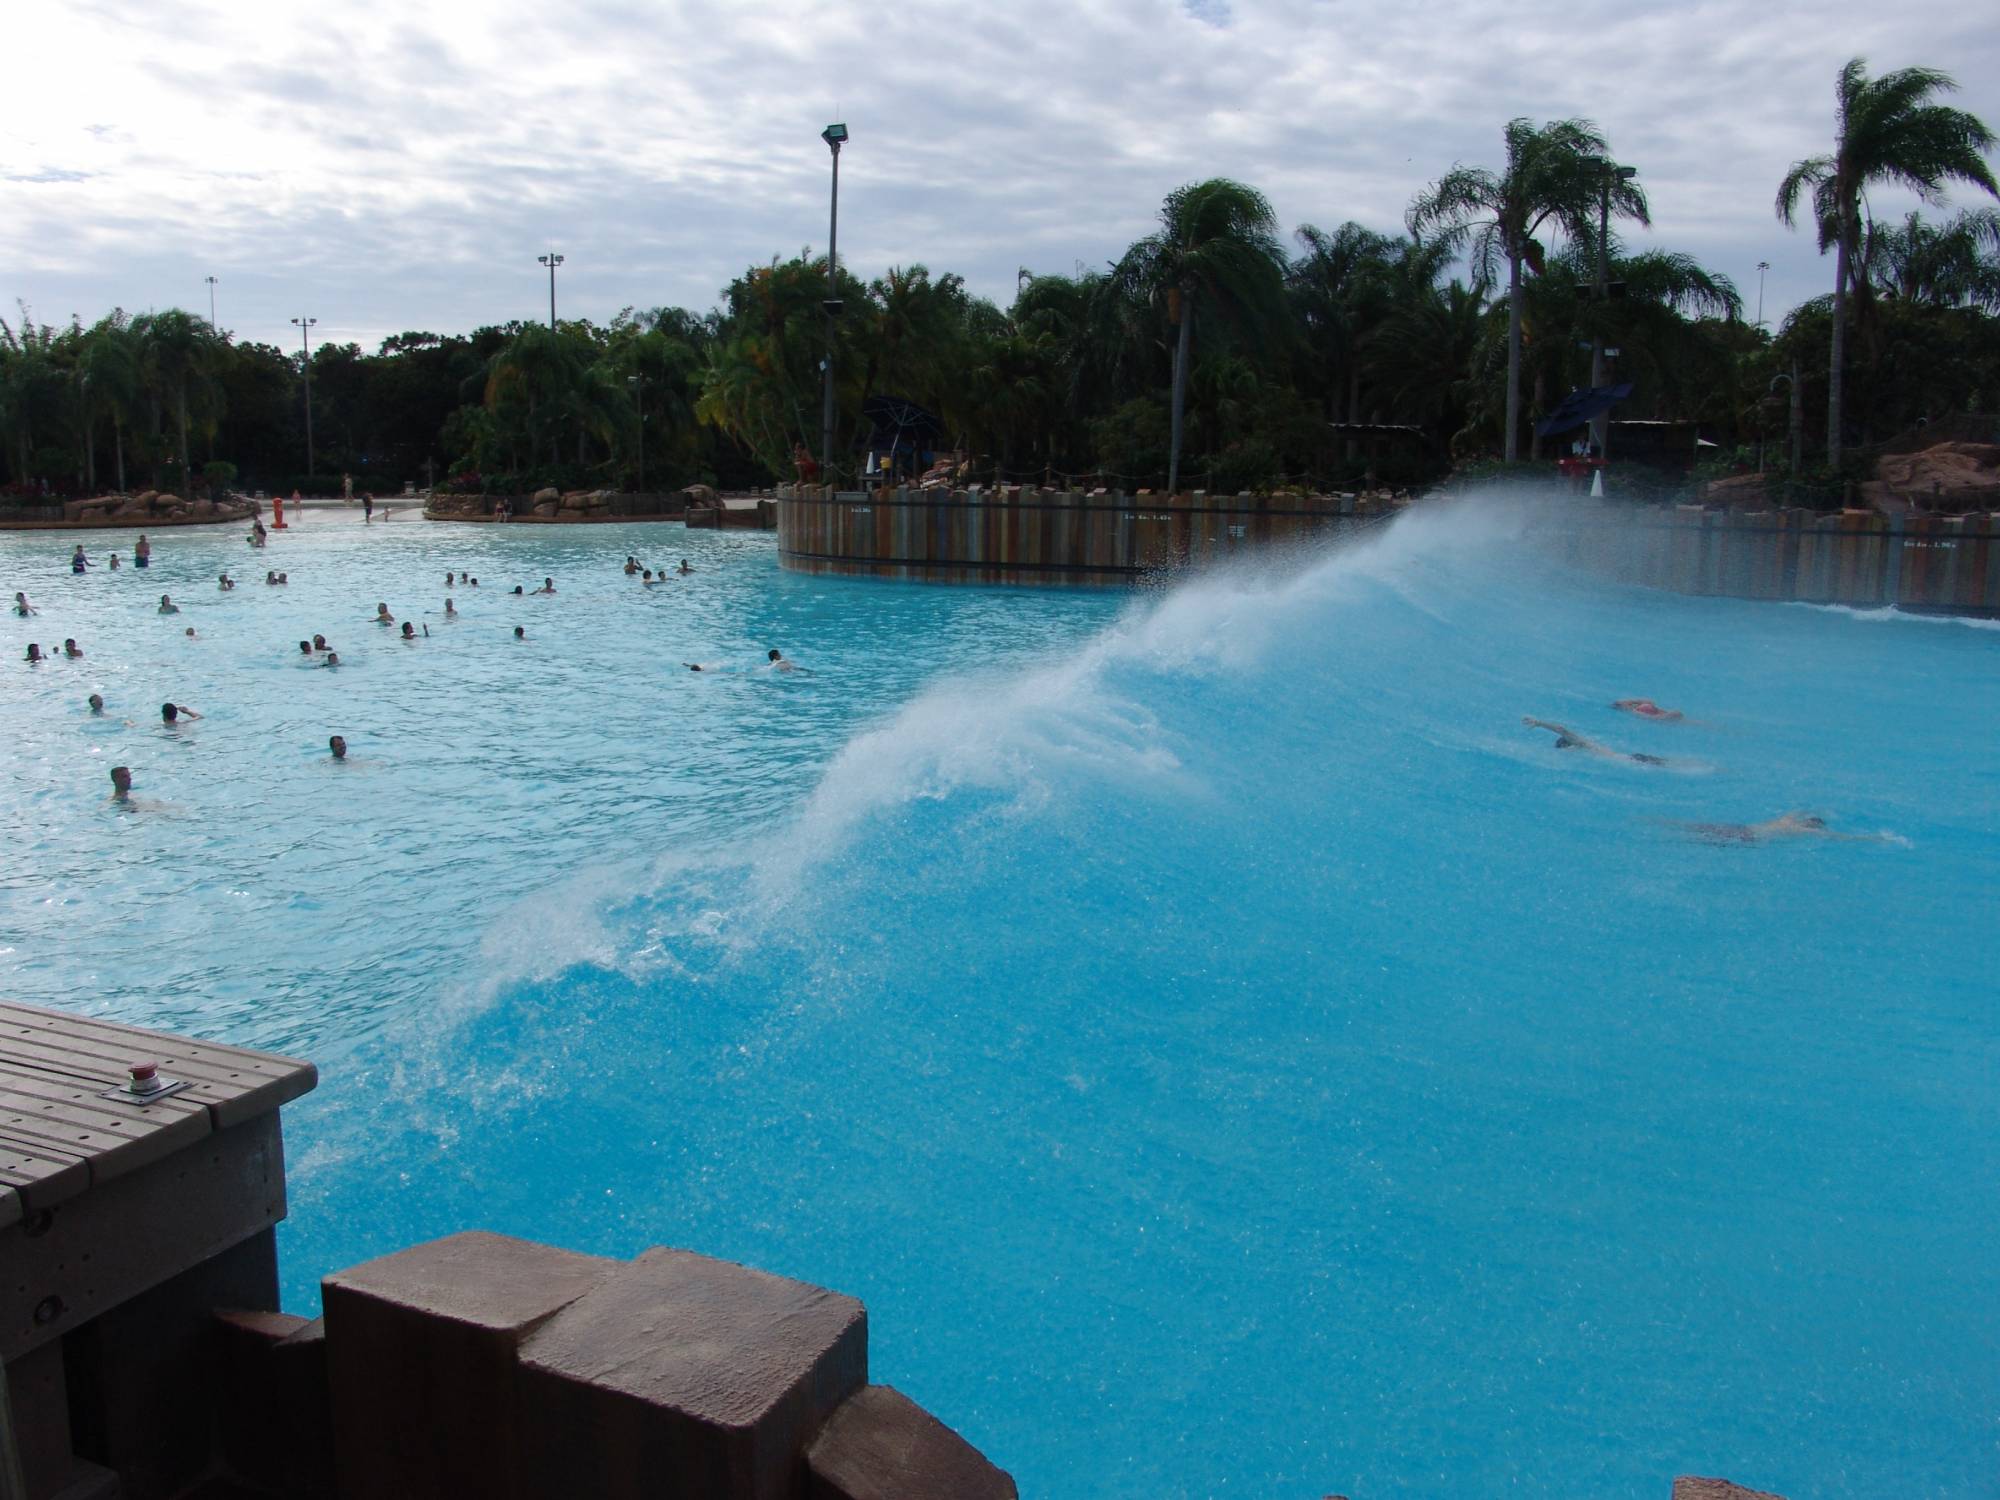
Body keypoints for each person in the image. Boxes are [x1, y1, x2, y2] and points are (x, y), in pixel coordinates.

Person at [1521, 717, 1667, 766]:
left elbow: (1562, 730)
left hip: (1634, 760)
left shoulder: (1581, 744)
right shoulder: (1585, 748)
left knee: (1676, 765)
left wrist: (1540, 723)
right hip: (1633, 758)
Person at [1680, 812, 1888, 846]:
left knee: (1684, 828)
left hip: (1740, 827)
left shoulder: (1785, 820)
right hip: (1747, 836)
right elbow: (1837, 836)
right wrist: (1872, 839)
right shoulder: (1799, 830)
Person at [1613, 698, 1685, 722]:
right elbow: (1678, 714)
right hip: (1672, 720)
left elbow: (1650, 701)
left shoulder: (1634, 709)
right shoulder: (1637, 714)